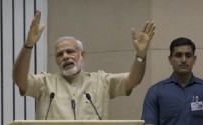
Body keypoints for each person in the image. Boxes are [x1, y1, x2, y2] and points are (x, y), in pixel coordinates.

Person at [12, 10, 155, 120]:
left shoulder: (101, 81)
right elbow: (20, 80)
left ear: (83, 55)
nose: (65, 56)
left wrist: (140, 56)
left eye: (70, 51)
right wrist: (28, 45)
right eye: (59, 54)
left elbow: (133, 80)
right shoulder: (44, 83)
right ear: (56, 61)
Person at [141, 37, 203, 125]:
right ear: (170, 59)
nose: (184, 60)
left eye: (188, 55)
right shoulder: (156, 91)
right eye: (178, 55)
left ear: (194, 59)